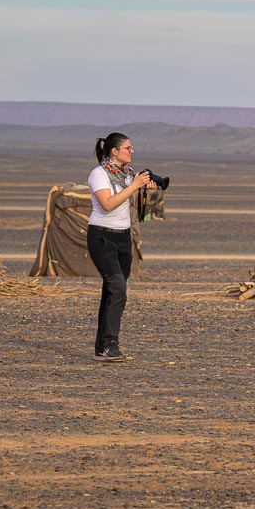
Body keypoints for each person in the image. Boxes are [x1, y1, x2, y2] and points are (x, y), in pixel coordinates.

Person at [87, 132, 152, 362]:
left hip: (123, 237)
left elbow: (128, 205)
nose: (132, 151)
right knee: (117, 288)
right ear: (115, 151)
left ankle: (102, 347)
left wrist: (142, 189)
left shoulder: (127, 174)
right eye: (128, 148)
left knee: (113, 290)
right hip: (102, 237)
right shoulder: (99, 174)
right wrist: (134, 185)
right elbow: (107, 204)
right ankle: (110, 345)